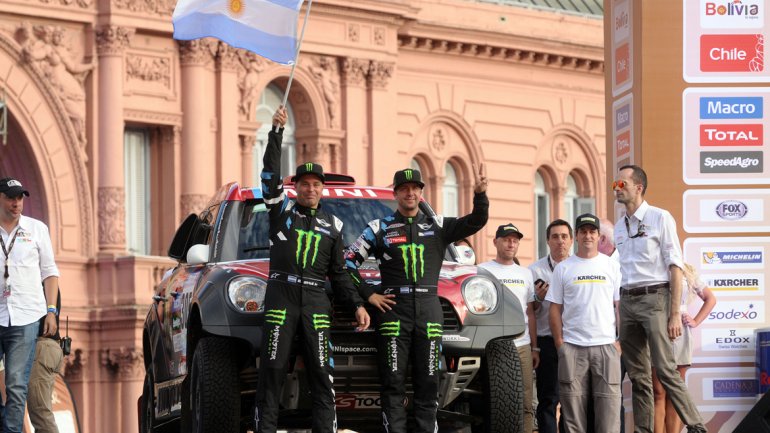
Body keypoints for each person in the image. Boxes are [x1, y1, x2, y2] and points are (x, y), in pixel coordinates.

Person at [345, 165, 488, 433]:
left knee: (428, 382)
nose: (410, 193)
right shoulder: (379, 228)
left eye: (415, 188)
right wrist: (369, 295)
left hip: (429, 312)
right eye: (404, 189)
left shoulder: (439, 225)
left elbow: (476, 221)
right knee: (393, 383)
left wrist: (480, 194)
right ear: (396, 194)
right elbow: (347, 262)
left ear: (421, 193)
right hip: (393, 313)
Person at [253, 107, 371, 433]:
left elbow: (341, 273)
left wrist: (358, 304)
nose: (310, 189)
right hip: (281, 299)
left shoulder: (334, 226)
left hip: (317, 304)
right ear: (296, 188)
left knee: (322, 379)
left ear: (322, 189)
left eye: (316, 184)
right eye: (304, 184)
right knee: (272, 377)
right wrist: (275, 133)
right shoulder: (281, 211)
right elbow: (268, 174)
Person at [613, 164, 707, 433]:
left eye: (621, 184)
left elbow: (675, 266)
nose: (616, 189)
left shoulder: (659, 217)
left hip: (655, 297)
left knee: (666, 370)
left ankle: (697, 426)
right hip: (628, 301)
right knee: (638, 378)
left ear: (638, 187)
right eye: (615, 185)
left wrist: (675, 313)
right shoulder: (619, 226)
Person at [547, 213, 622, 433]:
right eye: (583, 231)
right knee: (572, 418)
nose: (588, 235)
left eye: (592, 231)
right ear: (576, 236)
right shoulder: (564, 268)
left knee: (609, 416)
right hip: (573, 348)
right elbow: (554, 309)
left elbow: (620, 306)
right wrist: (560, 343)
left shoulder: (612, 266)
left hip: (606, 347)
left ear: (599, 236)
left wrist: (620, 343)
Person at [0, 177, 60, 433]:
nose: (16, 203)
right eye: (11, 198)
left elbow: (50, 273)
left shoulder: (37, 229)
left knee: (16, 383)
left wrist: (51, 311)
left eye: (20, 198)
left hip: (26, 317)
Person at [479, 223, 539, 433]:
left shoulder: (526, 273)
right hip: (493, 345)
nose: (511, 243)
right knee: (493, 401)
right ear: (495, 242)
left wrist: (535, 347)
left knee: (526, 402)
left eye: (515, 240)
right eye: (506, 239)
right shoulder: (483, 270)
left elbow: (530, 312)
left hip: (522, 345)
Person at [652, 263, 716, 433]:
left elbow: (710, 298)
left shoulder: (687, 270)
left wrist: (695, 320)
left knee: (675, 393)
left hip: (680, 332)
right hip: (655, 328)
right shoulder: (650, 266)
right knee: (657, 392)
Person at [529, 219, 573, 433]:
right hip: (546, 342)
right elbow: (528, 311)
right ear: (547, 240)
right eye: (555, 237)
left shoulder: (578, 267)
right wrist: (537, 298)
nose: (560, 241)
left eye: (564, 236)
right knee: (548, 398)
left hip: (574, 340)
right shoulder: (534, 270)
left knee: (571, 398)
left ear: (571, 240)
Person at [27, 288, 64, 433]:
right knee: (41, 412)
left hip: (41, 347)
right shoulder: (49, 282)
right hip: (49, 348)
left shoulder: (37, 276)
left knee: (40, 413)